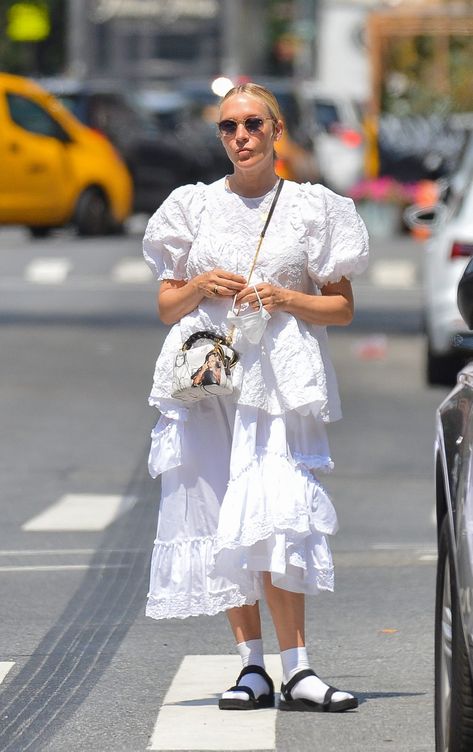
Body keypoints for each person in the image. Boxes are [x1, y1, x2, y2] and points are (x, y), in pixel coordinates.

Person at [143, 83, 369, 713]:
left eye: (251, 125)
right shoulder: (191, 207)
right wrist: (200, 285)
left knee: (276, 516)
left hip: (278, 382)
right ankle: (252, 667)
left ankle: (297, 667)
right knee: (222, 520)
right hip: (211, 379)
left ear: (276, 131)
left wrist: (285, 298)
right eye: (227, 128)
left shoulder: (311, 208)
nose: (239, 137)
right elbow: (165, 306)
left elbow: (343, 307)